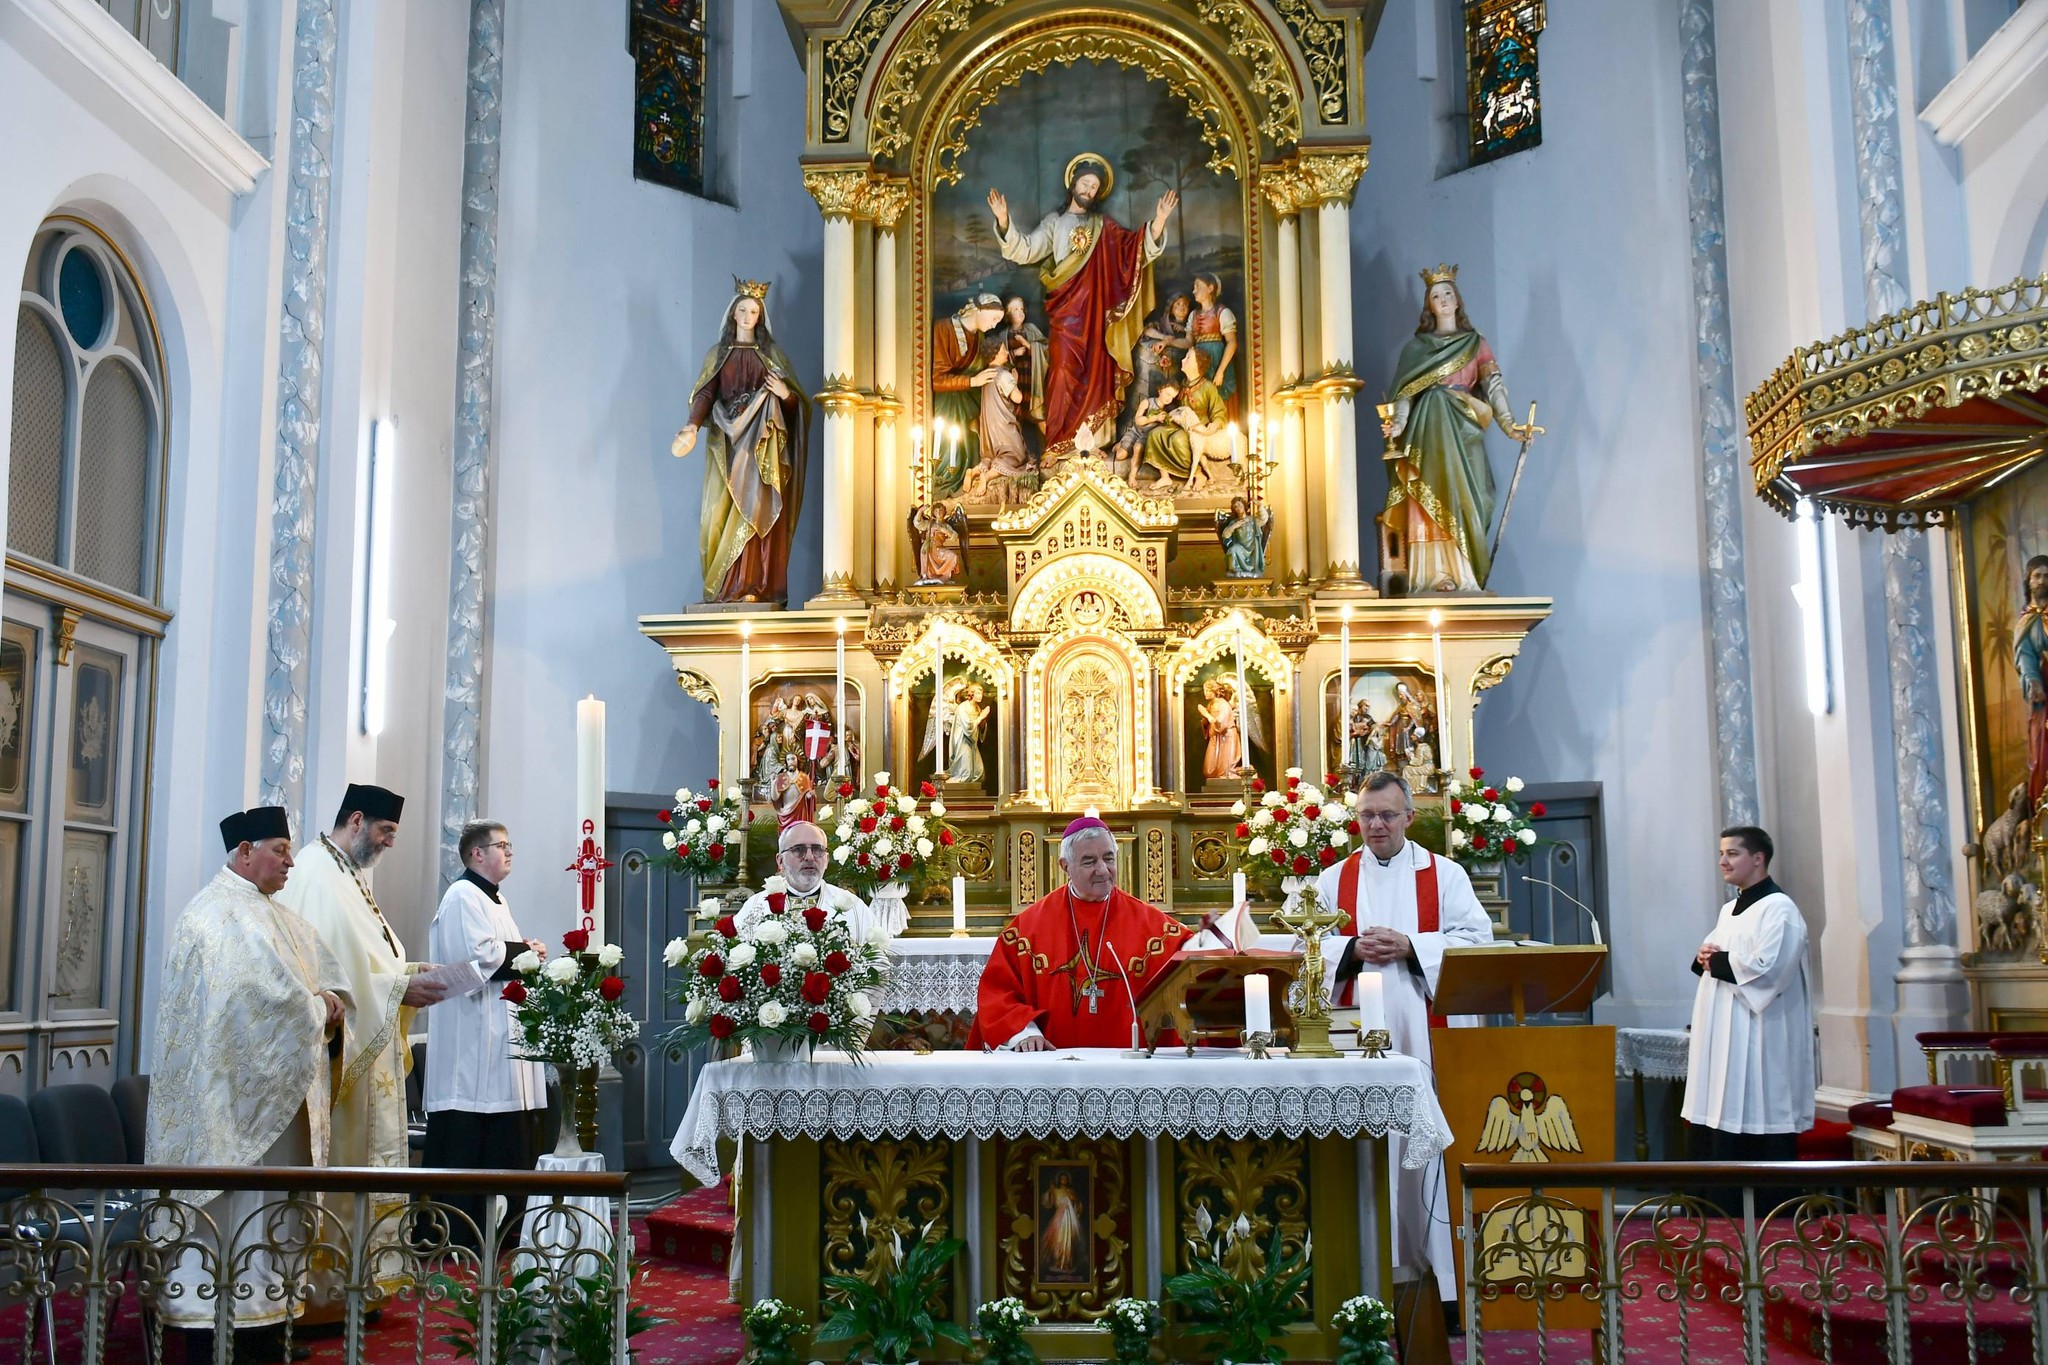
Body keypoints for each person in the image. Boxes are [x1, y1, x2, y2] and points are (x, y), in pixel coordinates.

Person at [149, 806, 351, 1362]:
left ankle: (266, 1332)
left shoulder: (271, 913)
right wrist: (317, 1007)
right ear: (244, 852)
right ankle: (220, 1340)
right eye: (280, 851)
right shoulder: (215, 916)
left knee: (267, 1228)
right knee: (231, 1231)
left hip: (271, 1112)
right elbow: (256, 1005)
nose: (290, 862)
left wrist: (330, 1000)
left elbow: (319, 976)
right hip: (227, 1115)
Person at [1312, 771, 1493, 1305]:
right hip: (1354, 1037)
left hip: (1424, 1034)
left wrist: (1412, 946)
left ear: (1410, 817)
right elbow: (1306, 948)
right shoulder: (1333, 879)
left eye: (1387, 815)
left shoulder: (1446, 875)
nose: (1376, 825)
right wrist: (1350, 949)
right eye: (1367, 815)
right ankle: (1360, 1282)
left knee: (1426, 1152)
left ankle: (1441, 1286)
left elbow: (1477, 941)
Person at [274, 784, 463, 1298]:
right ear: (356, 820)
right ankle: (328, 1287)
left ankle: (365, 1277)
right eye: (386, 830)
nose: (390, 842)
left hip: (368, 1050)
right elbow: (324, 975)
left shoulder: (346, 874)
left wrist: (408, 973)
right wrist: (399, 988)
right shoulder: (315, 874)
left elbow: (364, 960)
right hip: (337, 1058)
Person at [989, 157, 1176, 454]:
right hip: (1066, 313)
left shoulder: (1104, 227)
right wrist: (1003, 220)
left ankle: (1093, 444)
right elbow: (1026, 250)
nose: (1089, 190)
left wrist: (1160, 221)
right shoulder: (1055, 222)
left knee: (1096, 373)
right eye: (1085, 183)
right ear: (1073, 184)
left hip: (1095, 316)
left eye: (1094, 187)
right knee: (1062, 370)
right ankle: (1058, 444)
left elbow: (1134, 250)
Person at [424, 820, 548, 1249]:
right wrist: (527, 953)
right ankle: (458, 1237)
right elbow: (477, 959)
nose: (510, 851)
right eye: (502, 845)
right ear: (477, 853)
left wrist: (526, 952)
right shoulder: (462, 896)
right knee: (470, 1138)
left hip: (495, 1042)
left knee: (505, 1137)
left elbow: (497, 952)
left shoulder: (494, 898)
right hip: (472, 1044)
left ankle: (501, 1233)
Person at [1379, 264, 1536, 591]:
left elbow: (1493, 386)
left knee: (1472, 498)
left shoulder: (1477, 344)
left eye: (1448, 293)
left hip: (1464, 431)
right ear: (1429, 305)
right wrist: (1398, 424)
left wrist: (1510, 425)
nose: (1443, 300)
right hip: (1426, 431)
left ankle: (1464, 573)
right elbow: (1405, 394)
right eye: (1436, 296)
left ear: (1458, 299)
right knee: (1428, 493)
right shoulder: (1416, 349)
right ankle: (1431, 575)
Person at [970, 817, 1190, 1050]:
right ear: (1065, 866)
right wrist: (1025, 1032)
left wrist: (1214, 935)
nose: (1102, 870)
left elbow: (1192, 964)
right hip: (1052, 1063)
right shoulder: (1029, 928)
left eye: (1109, 858)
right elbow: (998, 993)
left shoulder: (1153, 926)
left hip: (1131, 1064)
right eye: (1089, 861)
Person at [672, 280, 810, 604]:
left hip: (761, 447)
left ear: (760, 318)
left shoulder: (772, 355)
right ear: (733, 314)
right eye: (743, 310)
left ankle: (755, 586)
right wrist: (692, 426)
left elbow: (795, 410)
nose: (748, 317)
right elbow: (706, 393)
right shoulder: (718, 354)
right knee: (722, 511)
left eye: (754, 312)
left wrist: (785, 394)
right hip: (728, 444)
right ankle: (726, 587)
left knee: (758, 507)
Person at [1681, 826, 1814, 1160]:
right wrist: (1704, 956)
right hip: (1723, 1033)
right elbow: (1712, 956)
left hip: (1760, 1035)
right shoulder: (1729, 909)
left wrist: (1716, 961)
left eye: (1732, 853)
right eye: (1721, 854)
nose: (1723, 861)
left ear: (1758, 858)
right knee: (1718, 1110)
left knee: (1758, 1107)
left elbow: (1770, 969)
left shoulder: (1779, 909)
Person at [737, 820, 877, 940]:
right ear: (780, 861)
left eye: (817, 849)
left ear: (826, 860)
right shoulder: (754, 907)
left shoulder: (853, 906)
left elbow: (878, 958)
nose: (809, 857)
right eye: (798, 849)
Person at [930, 294, 1006, 497]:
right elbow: (936, 379)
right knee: (949, 450)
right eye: (994, 318)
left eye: (998, 321)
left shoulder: (979, 338)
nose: (994, 325)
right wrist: (972, 381)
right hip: (949, 405)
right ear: (979, 310)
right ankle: (945, 490)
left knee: (973, 441)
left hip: (970, 401)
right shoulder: (944, 329)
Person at [1136, 347, 1230, 492]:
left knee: (1178, 440)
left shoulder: (1207, 387)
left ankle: (1198, 474)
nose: (1183, 360)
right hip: (1181, 425)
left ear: (1197, 364)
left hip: (1198, 430)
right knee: (1155, 434)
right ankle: (1165, 476)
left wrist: (1215, 423)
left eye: (1188, 358)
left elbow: (1219, 411)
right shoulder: (1183, 384)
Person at [2016, 555, 2048, 807]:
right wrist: (2033, 683)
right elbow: (2024, 656)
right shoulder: (2027, 620)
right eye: (2037, 576)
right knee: (2041, 741)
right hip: (2044, 685)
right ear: (2029, 581)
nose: (2042, 581)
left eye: (2047, 576)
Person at [1186, 272, 1239, 420]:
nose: (1194, 291)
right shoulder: (1193, 315)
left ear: (1210, 288)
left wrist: (1220, 371)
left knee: (1219, 398)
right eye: (1194, 287)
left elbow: (1232, 342)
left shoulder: (1222, 312)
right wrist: (1167, 341)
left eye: (1198, 286)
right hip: (1198, 364)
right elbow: (1188, 342)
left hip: (1217, 361)